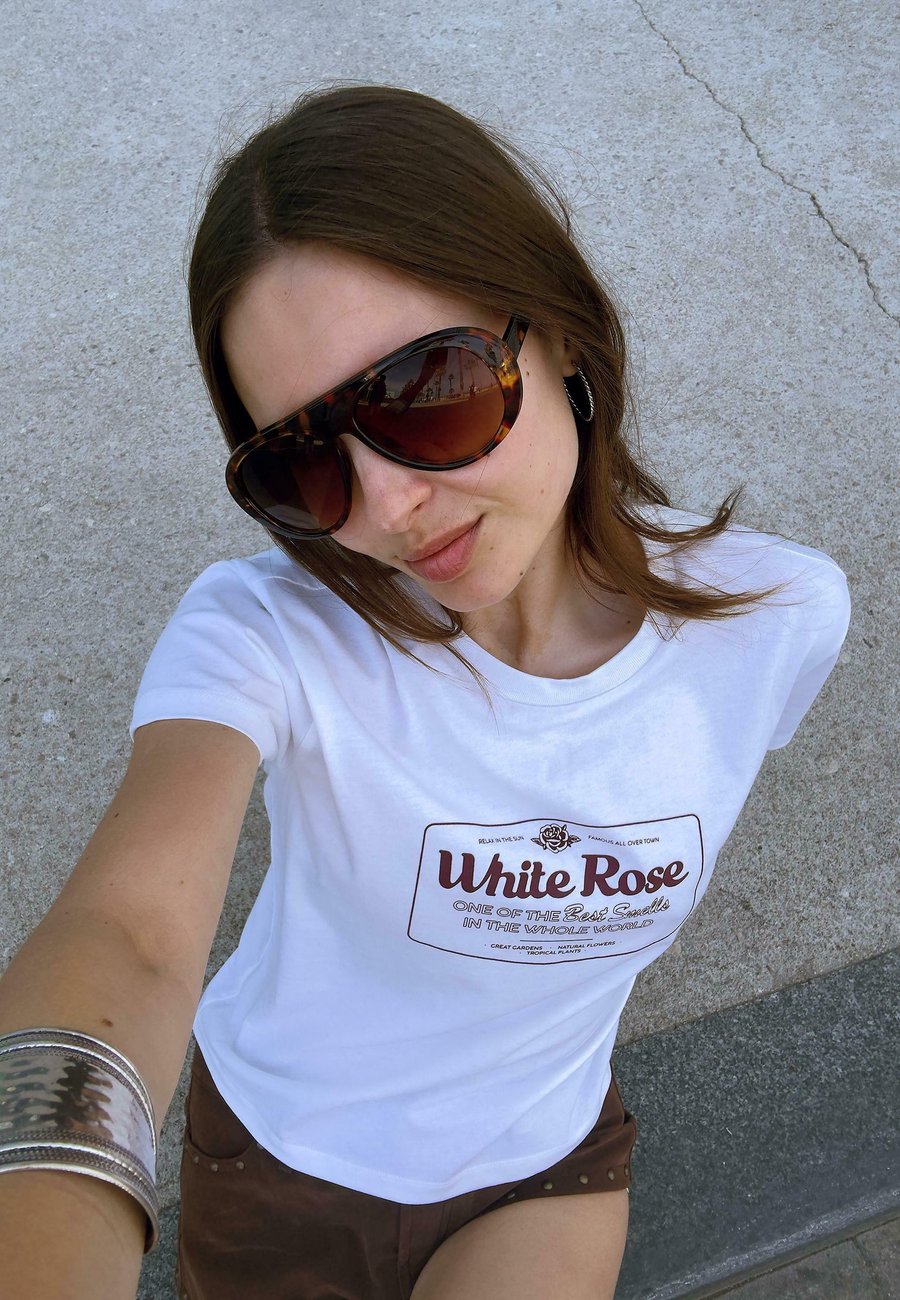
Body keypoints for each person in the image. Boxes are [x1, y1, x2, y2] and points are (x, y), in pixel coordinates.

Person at [0, 84, 852, 1300]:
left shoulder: (778, 617)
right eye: (305, 460)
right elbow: (128, 936)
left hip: (543, 1161)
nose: (387, 505)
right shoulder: (265, 631)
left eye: (428, 391)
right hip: (279, 1157)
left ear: (561, 331)